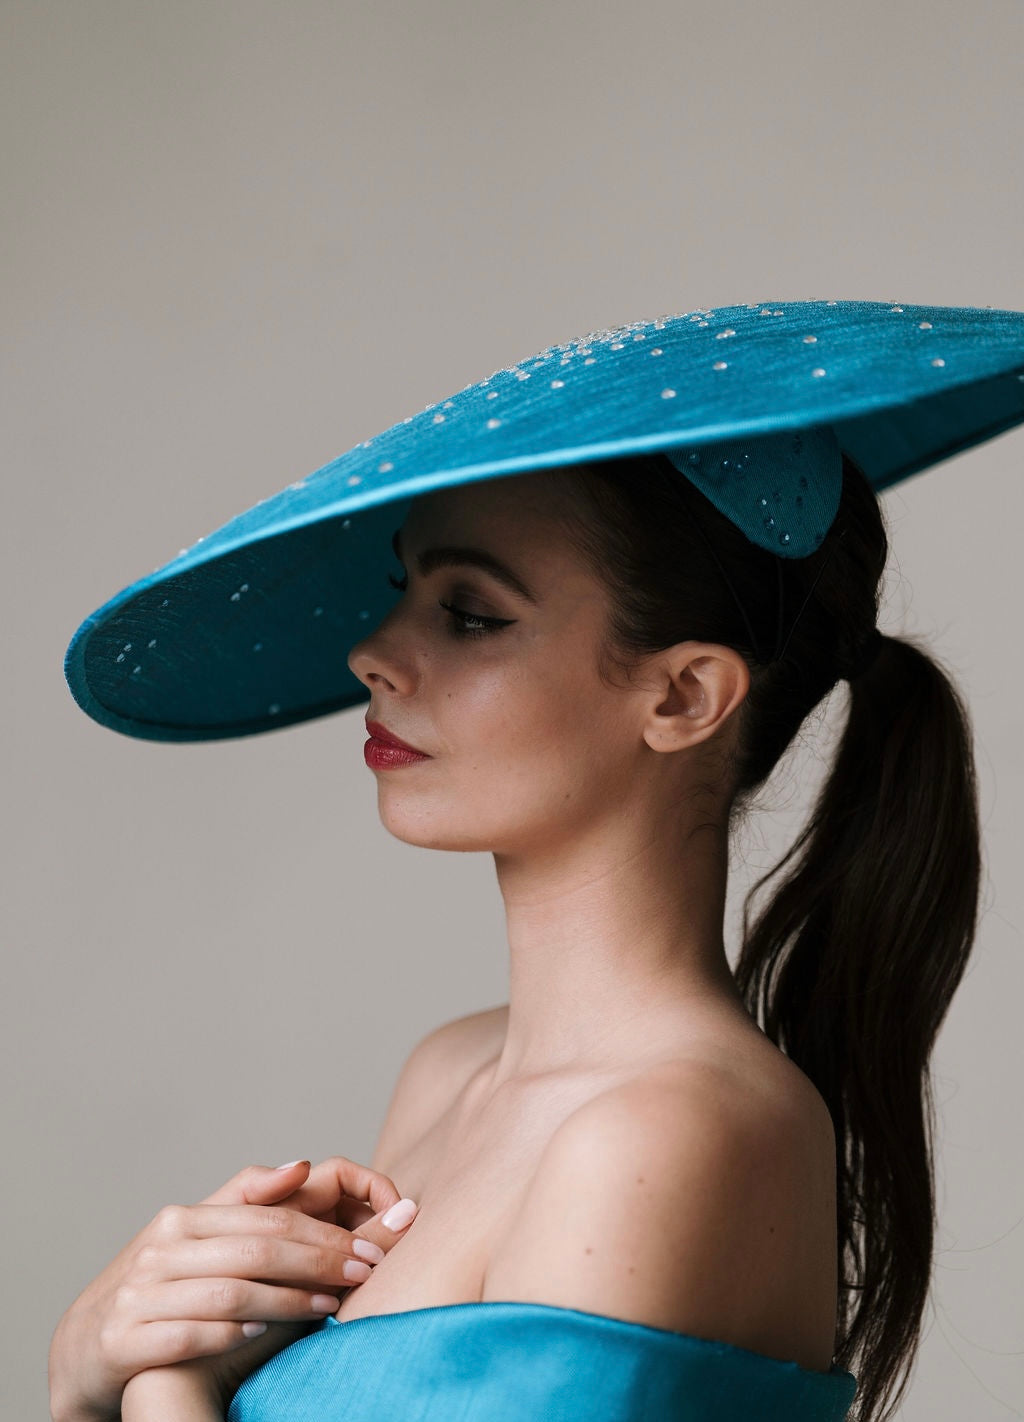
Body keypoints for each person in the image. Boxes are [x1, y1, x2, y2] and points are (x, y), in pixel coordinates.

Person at [53, 300, 1024, 1422]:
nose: (373, 652)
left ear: (681, 695)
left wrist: (142, 1375)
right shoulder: (449, 1075)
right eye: (402, 589)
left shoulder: (672, 1132)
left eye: (469, 613)